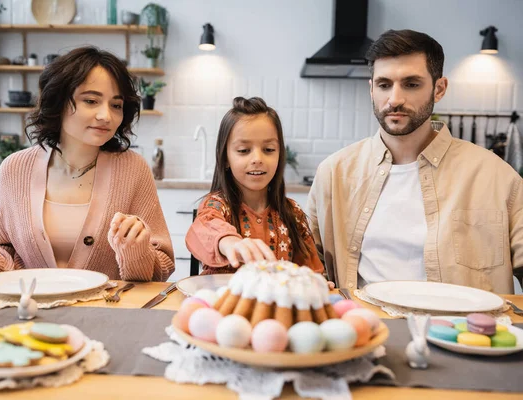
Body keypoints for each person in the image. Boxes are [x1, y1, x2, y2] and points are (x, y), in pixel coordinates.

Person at [307, 29, 523, 293]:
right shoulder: (333, 173)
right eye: (384, 84)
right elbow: (305, 265)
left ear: (439, 89)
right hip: (365, 330)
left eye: (411, 84)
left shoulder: (496, 177)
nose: (395, 99)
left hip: (459, 332)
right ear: (371, 89)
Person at [0, 46, 175, 281]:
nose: (106, 116)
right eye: (91, 100)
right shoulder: (15, 168)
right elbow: (6, 251)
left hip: (108, 313)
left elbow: (161, 269)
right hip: (34, 312)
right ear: (59, 102)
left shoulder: (133, 169)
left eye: (116, 105)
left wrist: (135, 249)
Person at [186, 97, 327, 278]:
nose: (257, 159)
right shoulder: (216, 206)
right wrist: (228, 241)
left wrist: (316, 282)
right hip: (222, 304)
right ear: (225, 158)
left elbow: (310, 272)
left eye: (268, 149)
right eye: (244, 150)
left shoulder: (293, 213)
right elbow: (200, 232)